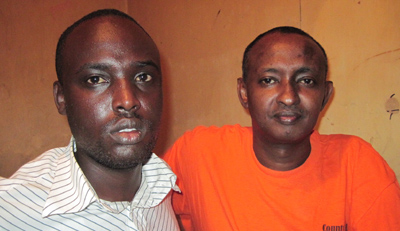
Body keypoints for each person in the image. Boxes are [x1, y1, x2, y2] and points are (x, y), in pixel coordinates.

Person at [164, 26, 400, 230]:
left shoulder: (357, 164)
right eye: (269, 80)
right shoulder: (197, 153)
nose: (288, 97)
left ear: (325, 96)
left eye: (306, 81)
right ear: (244, 93)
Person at [0, 9, 180, 230]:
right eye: (96, 79)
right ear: (61, 98)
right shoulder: (13, 209)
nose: (127, 100)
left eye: (143, 77)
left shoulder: (162, 187)